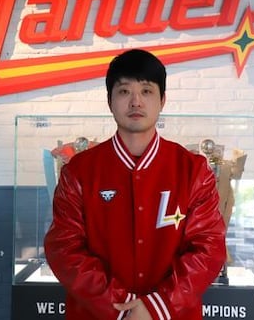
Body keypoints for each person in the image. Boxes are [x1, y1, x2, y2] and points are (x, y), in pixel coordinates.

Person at [43, 49, 227, 320]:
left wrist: (157, 307)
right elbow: (64, 248)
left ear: (162, 100)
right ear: (110, 101)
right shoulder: (79, 172)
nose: (136, 101)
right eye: (124, 91)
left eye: (147, 91)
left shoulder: (193, 170)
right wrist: (121, 308)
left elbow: (209, 248)